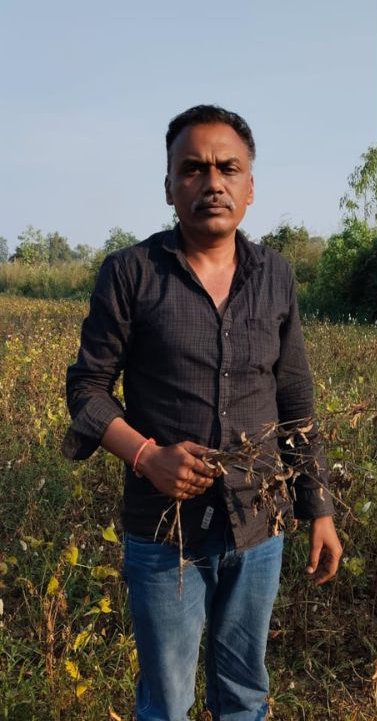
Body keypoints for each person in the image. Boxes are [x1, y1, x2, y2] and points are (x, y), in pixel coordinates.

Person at [63, 105, 343, 721]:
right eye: (192, 169)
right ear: (169, 186)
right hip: (166, 531)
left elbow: (295, 403)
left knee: (244, 693)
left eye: (227, 168)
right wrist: (146, 456)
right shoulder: (131, 274)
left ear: (249, 187)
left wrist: (318, 509)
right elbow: (86, 388)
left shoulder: (275, 276)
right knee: (166, 700)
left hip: (259, 524)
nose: (211, 182)